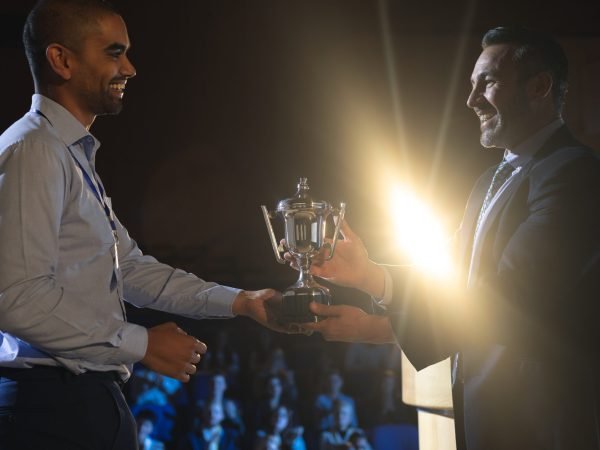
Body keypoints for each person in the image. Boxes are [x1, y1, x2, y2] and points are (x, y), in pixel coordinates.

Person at [0, 1, 291, 449]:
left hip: (85, 403)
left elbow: (131, 269)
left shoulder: (69, 155)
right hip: (50, 410)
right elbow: (16, 298)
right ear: (62, 60)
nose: (130, 68)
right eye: (114, 52)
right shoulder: (34, 151)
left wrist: (243, 302)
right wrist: (140, 343)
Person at [293, 26, 600, 450]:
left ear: (539, 86)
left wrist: (378, 289)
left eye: (486, 82)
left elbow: (506, 299)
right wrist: (371, 286)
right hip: (483, 415)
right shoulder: (488, 181)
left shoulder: (576, 173)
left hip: (541, 422)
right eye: (471, 85)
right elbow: (452, 282)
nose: (471, 100)